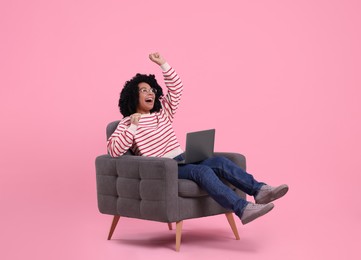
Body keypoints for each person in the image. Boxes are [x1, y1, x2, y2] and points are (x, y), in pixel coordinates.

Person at [107, 52, 289, 224]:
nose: (151, 93)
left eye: (152, 90)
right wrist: (133, 126)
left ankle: (260, 190)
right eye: (144, 90)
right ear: (133, 96)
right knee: (203, 172)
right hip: (164, 168)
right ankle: (243, 209)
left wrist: (163, 64)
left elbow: (177, 89)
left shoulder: (162, 113)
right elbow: (114, 151)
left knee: (219, 162)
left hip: (183, 160)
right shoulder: (127, 123)